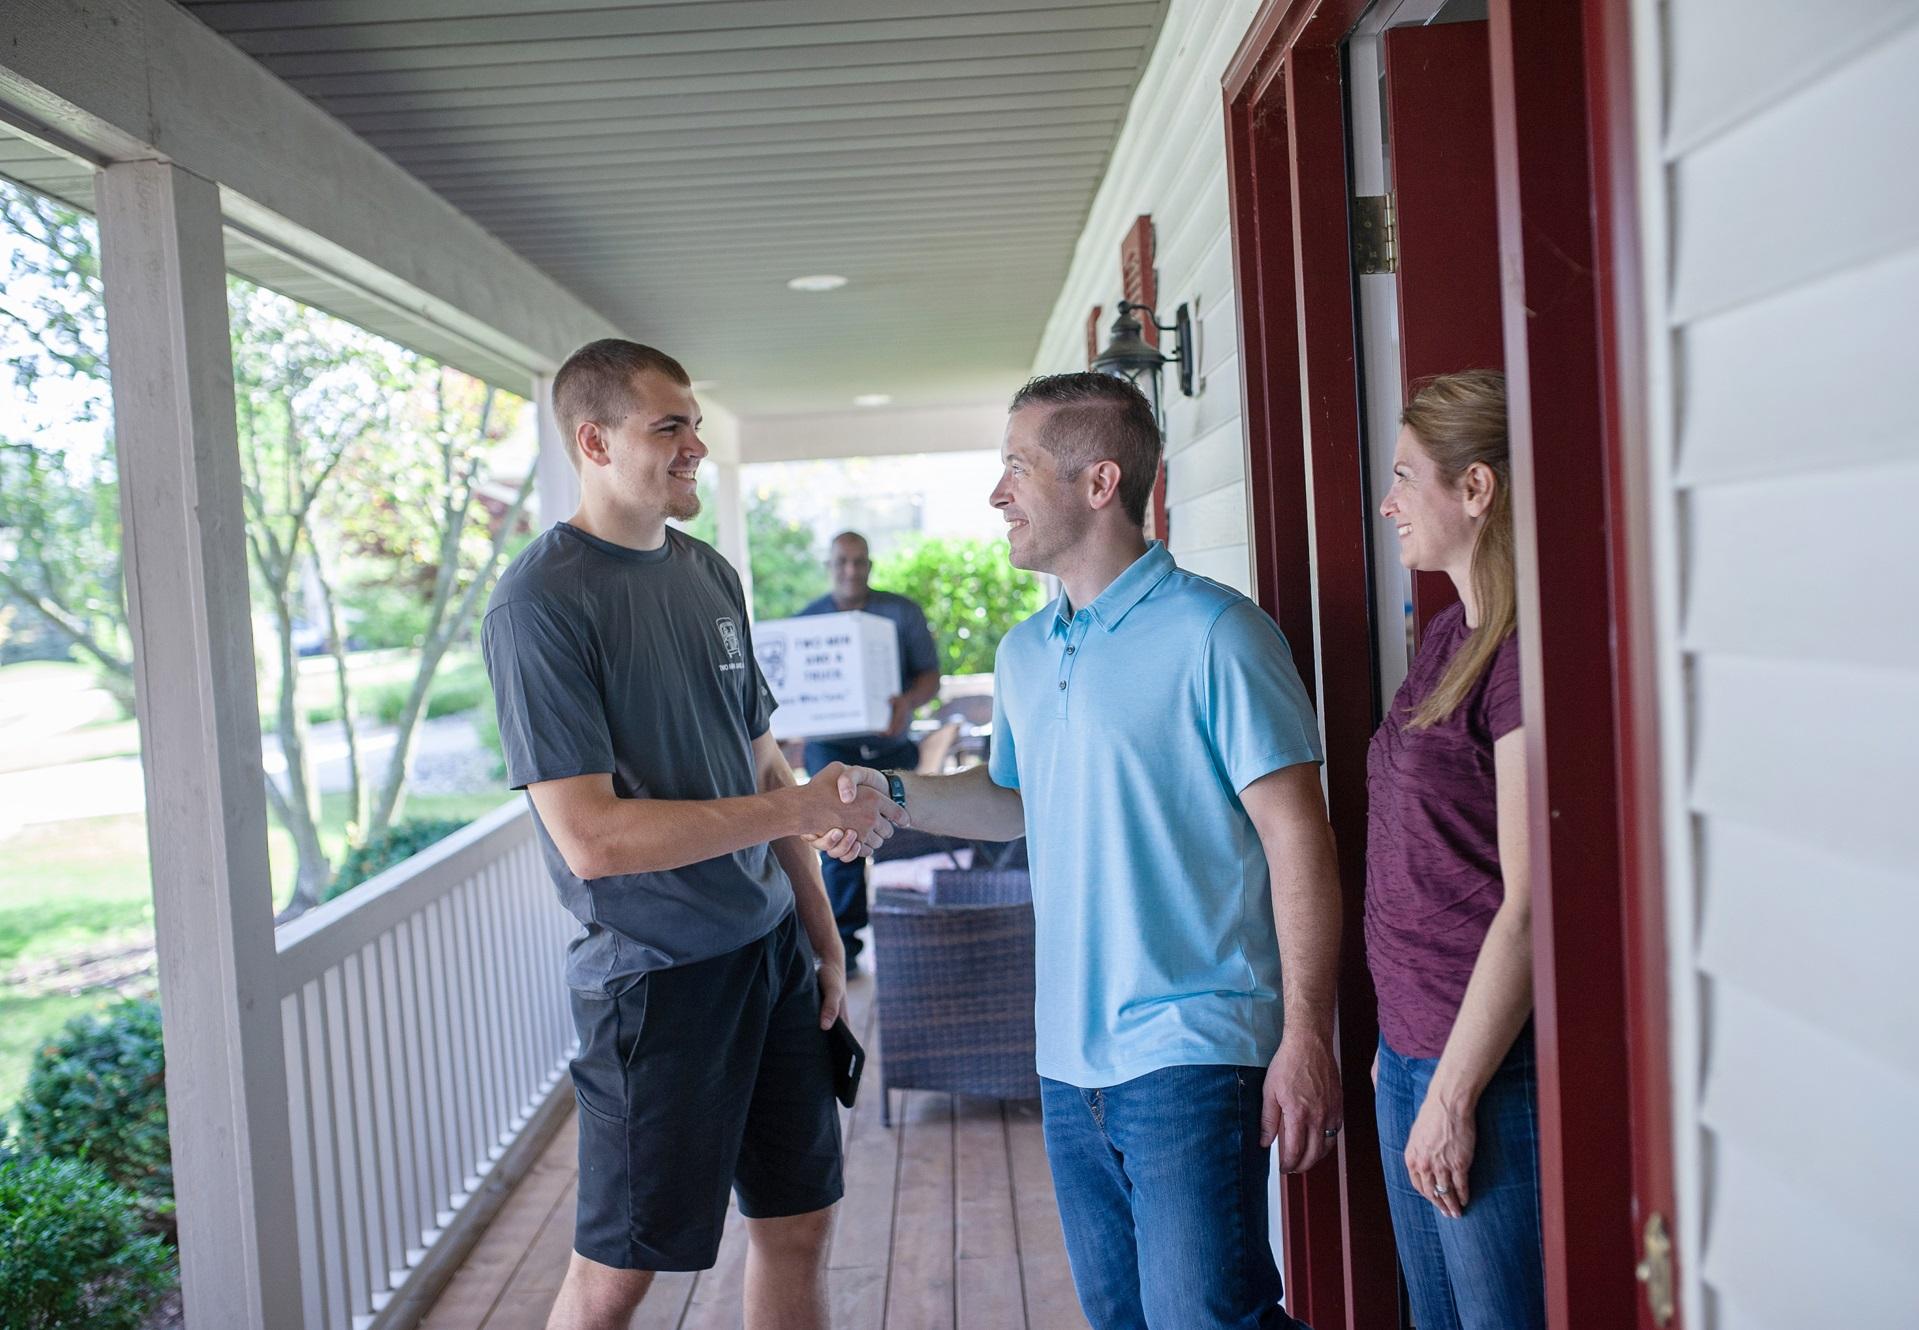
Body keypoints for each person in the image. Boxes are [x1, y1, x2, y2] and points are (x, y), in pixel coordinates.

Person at [831, 372, 1344, 1329]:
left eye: (1015, 470)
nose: (997, 496)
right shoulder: (1026, 652)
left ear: (1098, 481)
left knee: (1206, 1318)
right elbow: (1012, 804)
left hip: (1194, 1045)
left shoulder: (1219, 635)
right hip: (1067, 1057)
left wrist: (1308, 1035)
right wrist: (887, 794)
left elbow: (1299, 841)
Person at [479, 339, 901, 1330]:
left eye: (694, 424)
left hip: (770, 961)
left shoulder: (709, 572)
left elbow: (761, 765)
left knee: (799, 1223)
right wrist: (798, 810)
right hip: (656, 981)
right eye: (668, 426)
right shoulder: (538, 605)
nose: (695, 446)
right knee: (617, 1273)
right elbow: (591, 839)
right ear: (592, 441)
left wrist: (821, 937)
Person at [1368, 369, 1543, 1328]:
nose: (1389, 503)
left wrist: (1453, 1095)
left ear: (1474, 490)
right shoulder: (1448, 634)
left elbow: (1529, 903)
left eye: (1406, 477)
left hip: (1485, 1069)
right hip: (1411, 1050)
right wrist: (1403, 1064)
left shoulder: (1521, 658)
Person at [794, 531, 940, 973]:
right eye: (842, 561)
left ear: (870, 565)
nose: (851, 570)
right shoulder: (807, 622)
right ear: (830, 565)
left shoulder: (902, 612)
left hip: (890, 745)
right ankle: (845, 946)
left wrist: (907, 703)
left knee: (905, 829)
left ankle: (914, 929)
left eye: (859, 561)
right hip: (831, 750)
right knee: (840, 839)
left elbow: (930, 676)